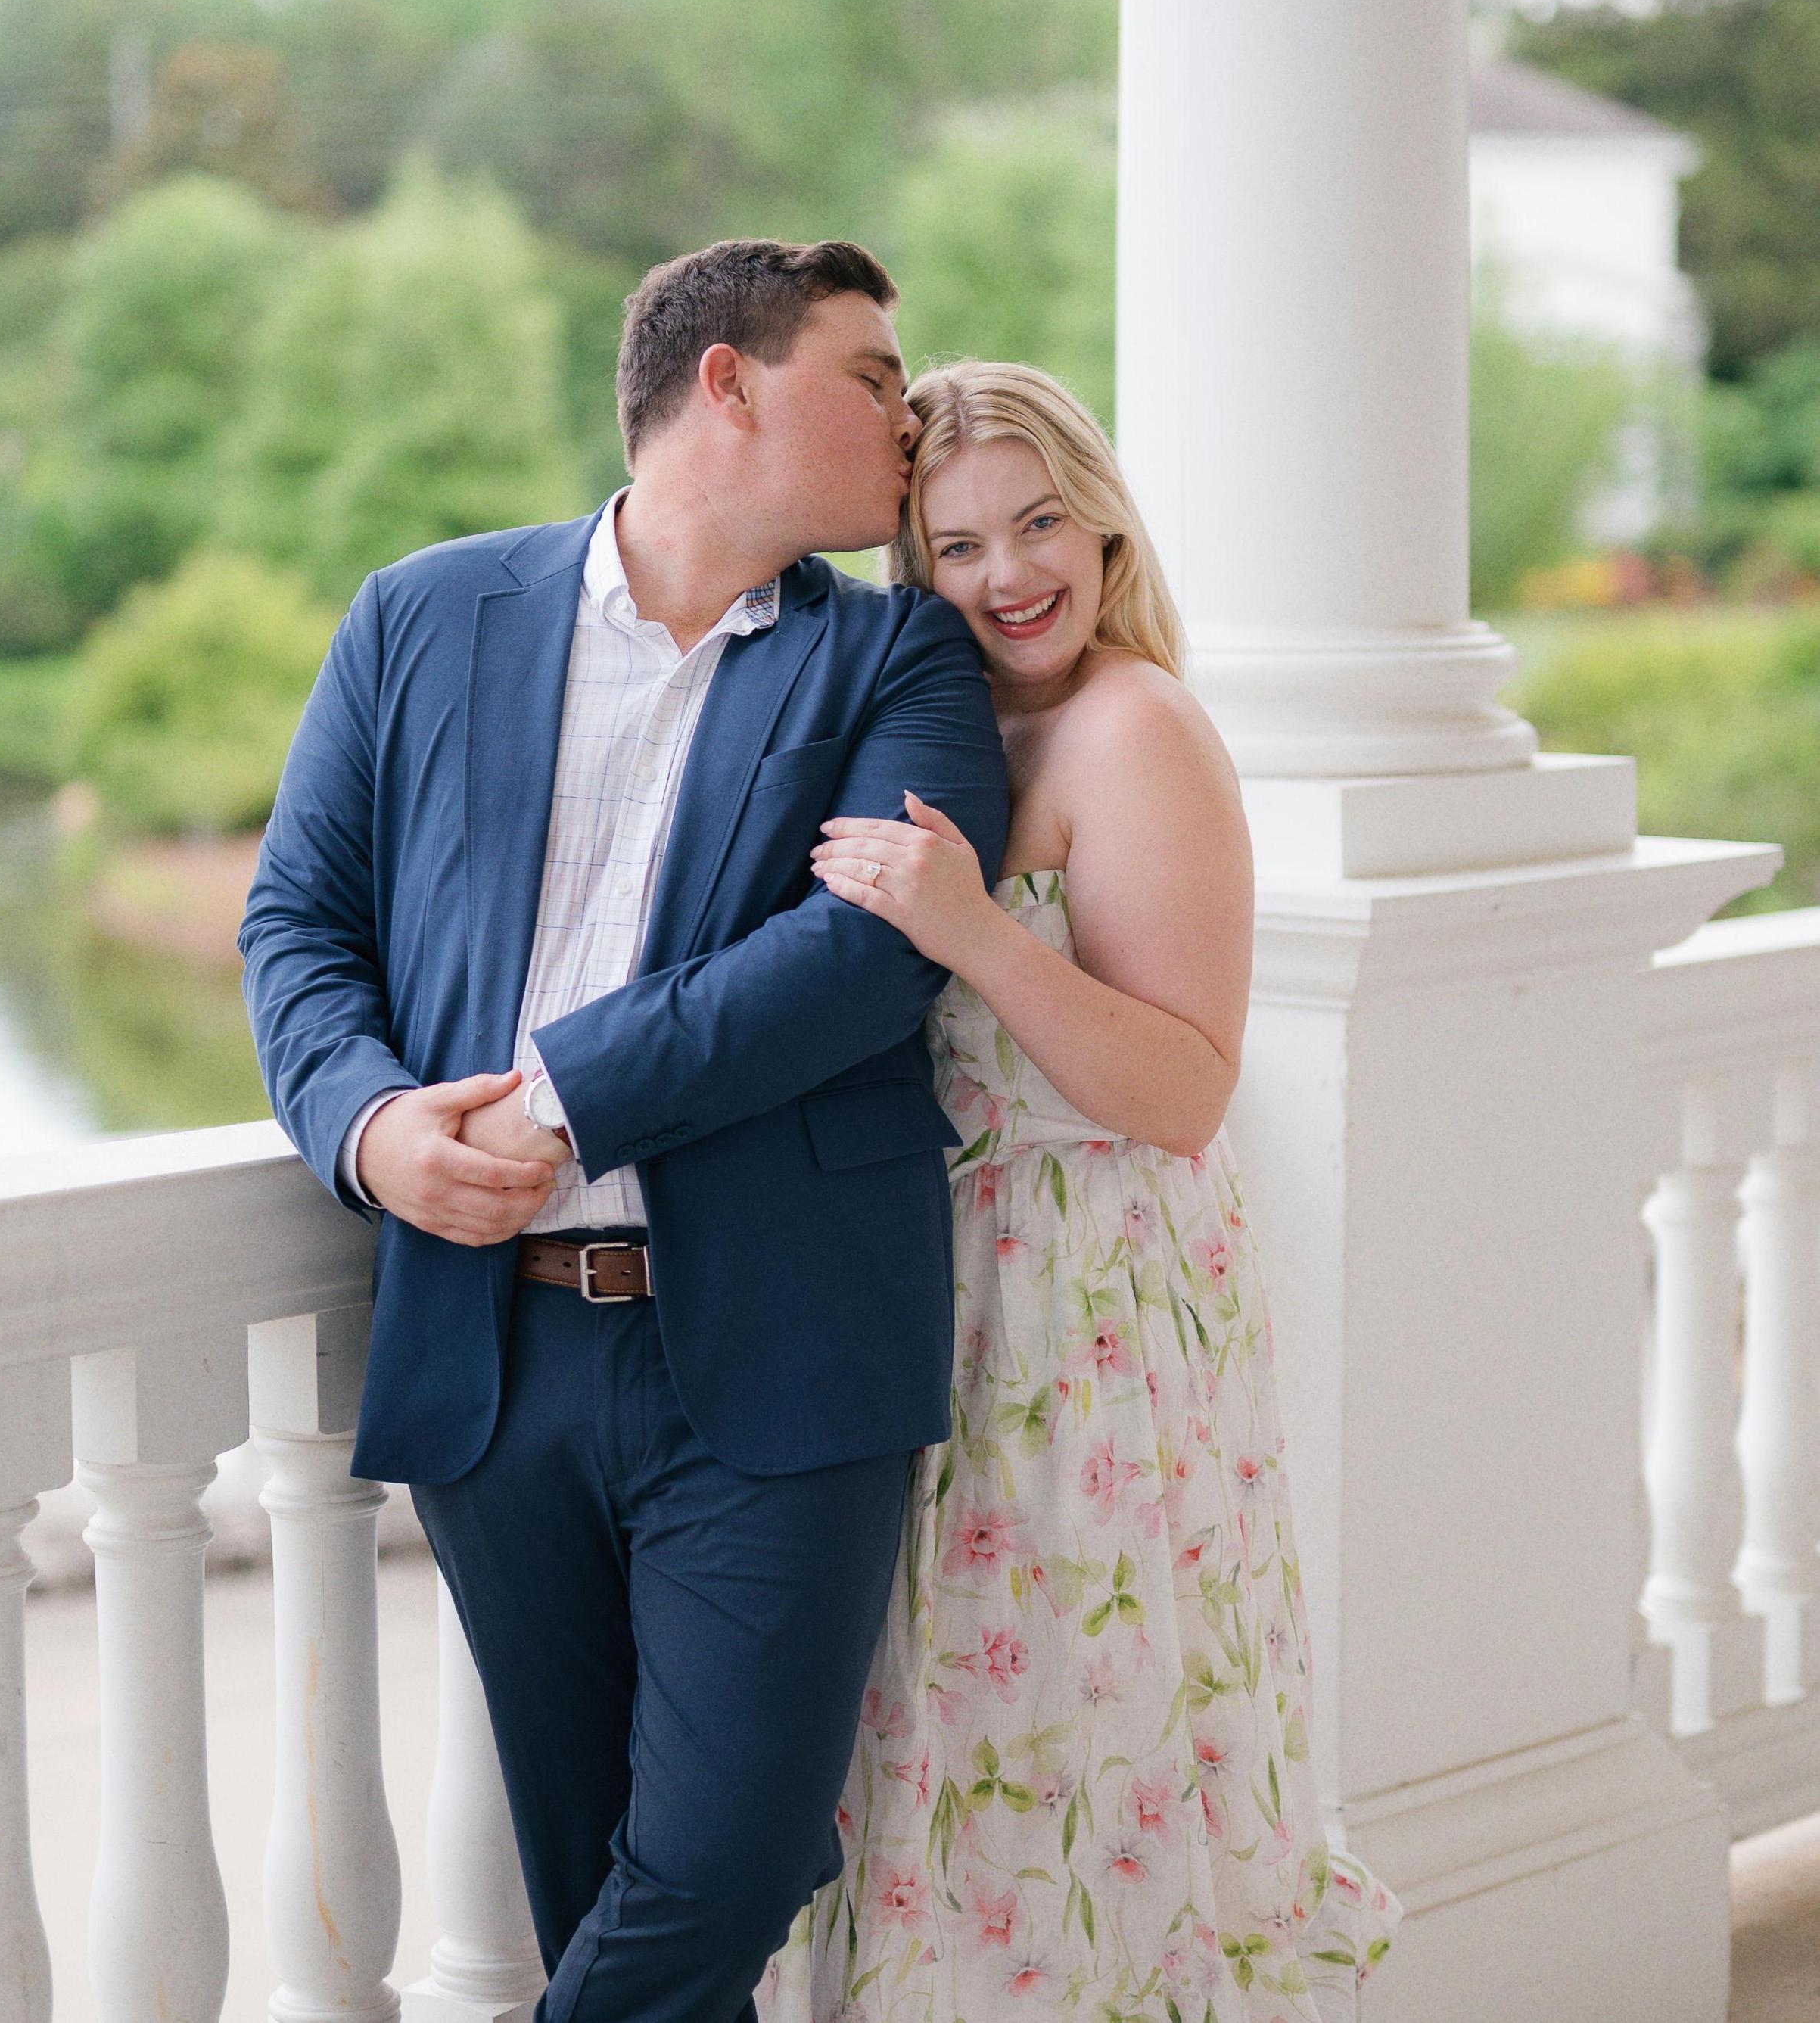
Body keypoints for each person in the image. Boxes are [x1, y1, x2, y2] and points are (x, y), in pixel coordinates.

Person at [241, 241, 1012, 2023]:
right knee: (593, 1879)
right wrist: (369, 1127)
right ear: (726, 382)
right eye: (869, 376)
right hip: (488, 1353)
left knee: (723, 1862)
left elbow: (862, 956)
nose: (906, 417)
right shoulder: (419, 613)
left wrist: (557, 1090)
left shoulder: (897, 650)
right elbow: (296, 922)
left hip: (777, 1348)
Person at [760, 362, 1402, 2021]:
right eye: (958, 543)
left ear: (1103, 524)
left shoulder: (1136, 726)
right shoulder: (933, 711)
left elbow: (1183, 1088)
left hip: (1089, 1299)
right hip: (938, 1286)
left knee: (1071, 1728)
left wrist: (972, 927)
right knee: (939, 1742)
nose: (1007, 574)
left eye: (1039, 522)